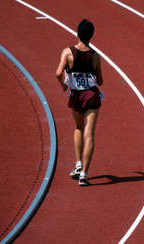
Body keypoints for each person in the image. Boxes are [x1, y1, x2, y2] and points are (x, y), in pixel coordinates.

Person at [56, 19, 103, 186]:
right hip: (91, 95)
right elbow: (100, 81)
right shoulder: (95, 56)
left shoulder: (67, 53)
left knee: (78, 128)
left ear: (77, 33)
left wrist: (63, 85)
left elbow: (58, 72)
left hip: (75, 95)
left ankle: (78, 164)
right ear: (91, 36)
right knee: (89, 133)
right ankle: (84, 175)